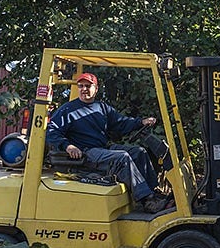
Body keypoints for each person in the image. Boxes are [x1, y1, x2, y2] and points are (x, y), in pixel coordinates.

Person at [45, 72, 169, 213]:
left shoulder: (101, 108)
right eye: (81, 86)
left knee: (138, 152)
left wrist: (141, 122)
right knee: (121, 157)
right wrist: (68, 146)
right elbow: (51, 131)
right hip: (85, 153)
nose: (84, 89)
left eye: (88, 86)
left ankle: (154, 193)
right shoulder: (67, 110)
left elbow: (120, 123)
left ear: (96, 89)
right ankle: (147, 200)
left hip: (102, 148)